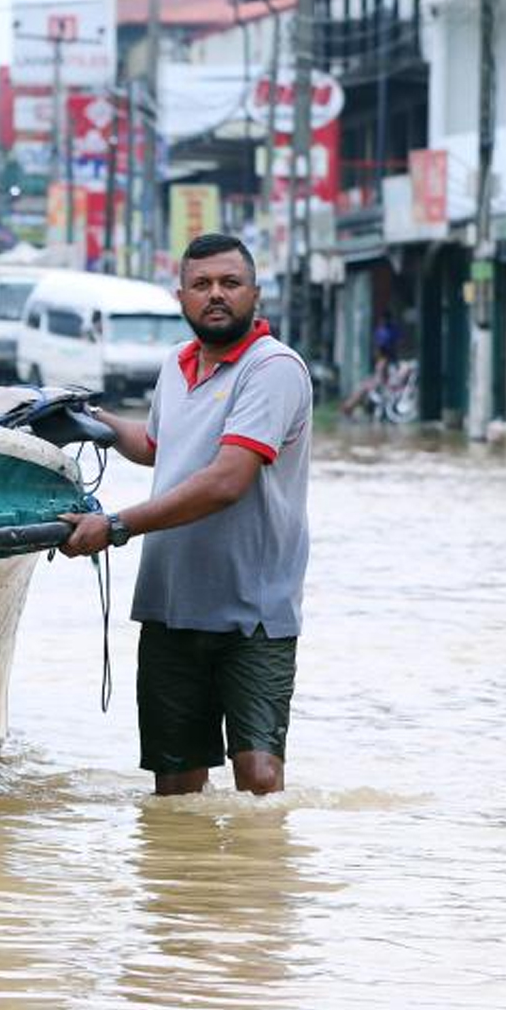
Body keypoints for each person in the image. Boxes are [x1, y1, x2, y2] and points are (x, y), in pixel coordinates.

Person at [57, 232, 313, 797]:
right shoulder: (177, 366)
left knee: (260, 779)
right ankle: (188, 887)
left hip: (254, 612)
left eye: (230, 283)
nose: (216, 295)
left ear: (255, 294)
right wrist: (89, 421)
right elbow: (155, 446)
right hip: (172, 604)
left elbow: (226, 481)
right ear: (181, 297)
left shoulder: (273, 369)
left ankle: (256, 883)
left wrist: (116, 526)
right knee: (174, 788)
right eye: (202, 285)